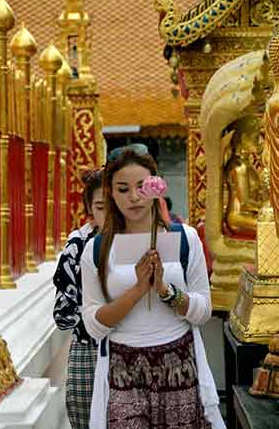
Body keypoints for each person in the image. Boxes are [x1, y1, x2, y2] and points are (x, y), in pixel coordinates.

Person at [81, 144, 225, 429]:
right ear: (110, 192)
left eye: (142, 186)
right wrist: (137, 290)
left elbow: (203, 311)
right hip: (123, 369)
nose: (134, 197)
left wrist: (164, 291)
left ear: (156, 187)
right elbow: (93, 324)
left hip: (179, 364)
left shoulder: (186, 238)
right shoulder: (96, 249)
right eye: (123, 189)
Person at [53, 169, 105, 429]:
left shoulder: (143, 240)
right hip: (90, 351)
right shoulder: (78, 243)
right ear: (89, 208)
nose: (108, 214)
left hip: (138, 347)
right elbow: (63, 313)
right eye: (100, 206)